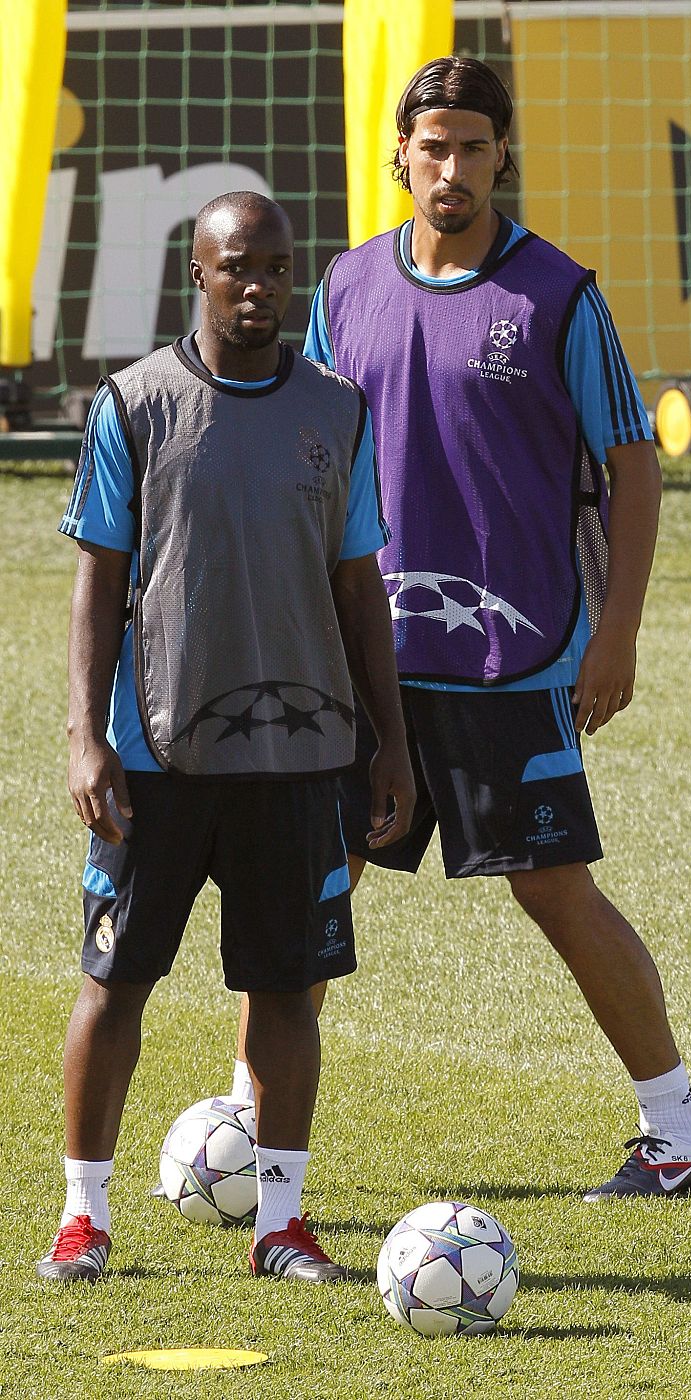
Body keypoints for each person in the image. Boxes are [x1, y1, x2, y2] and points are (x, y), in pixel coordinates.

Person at [231, 55, 691, 1201]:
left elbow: (634, 466)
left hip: (517, 658)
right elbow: (311, 458)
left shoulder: (558, 295)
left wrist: (619, 636)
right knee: (314, 877)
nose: (451, 168)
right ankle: (243, 1130)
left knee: (551, 886)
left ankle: (680, 1131)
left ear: (505, 155)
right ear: (400, 154)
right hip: (365, 664)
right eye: (432, 145)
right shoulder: (347, 289)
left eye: (472, 146)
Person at [37, 191, 415, 1285]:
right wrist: (83, 735)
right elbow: (96, 581)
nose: (260, 289)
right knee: (116, 984)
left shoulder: (338, 410)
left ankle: (281, 1224)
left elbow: (361, 586)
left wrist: (387, 741)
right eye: (237, 268)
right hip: (157, 761)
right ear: (197, 274)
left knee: (289, 990)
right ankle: (83, 1216)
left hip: (299, 762)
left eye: (278, 270)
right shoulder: (135, 403)